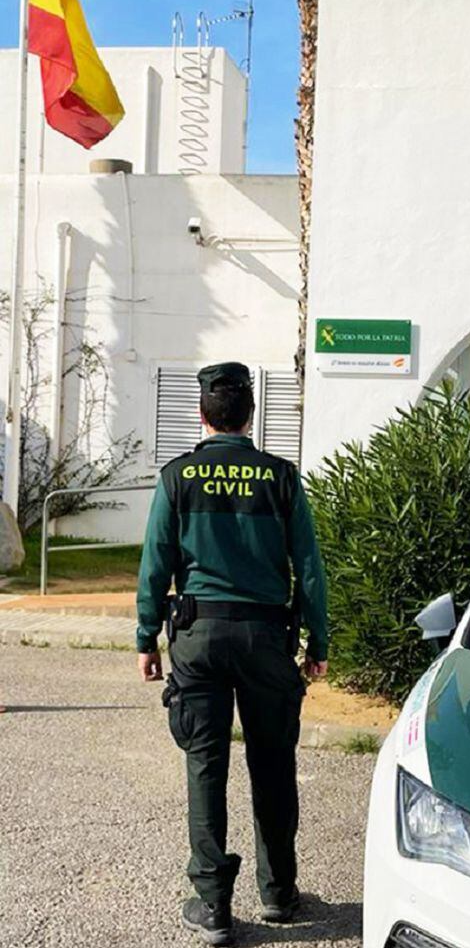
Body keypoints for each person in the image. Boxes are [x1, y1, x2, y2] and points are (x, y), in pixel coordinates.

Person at [136, 362, 328, 946]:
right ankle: (278, 893)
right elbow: (310, 570)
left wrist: (147, 637)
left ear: (202, 414)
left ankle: (214, 905)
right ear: (250, 415)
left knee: (206, 764)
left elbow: (156, 563)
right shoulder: (281, 478)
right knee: (273, 764)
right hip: (268, 639)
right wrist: (317, 643)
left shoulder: (177, 478)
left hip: (198, 639)